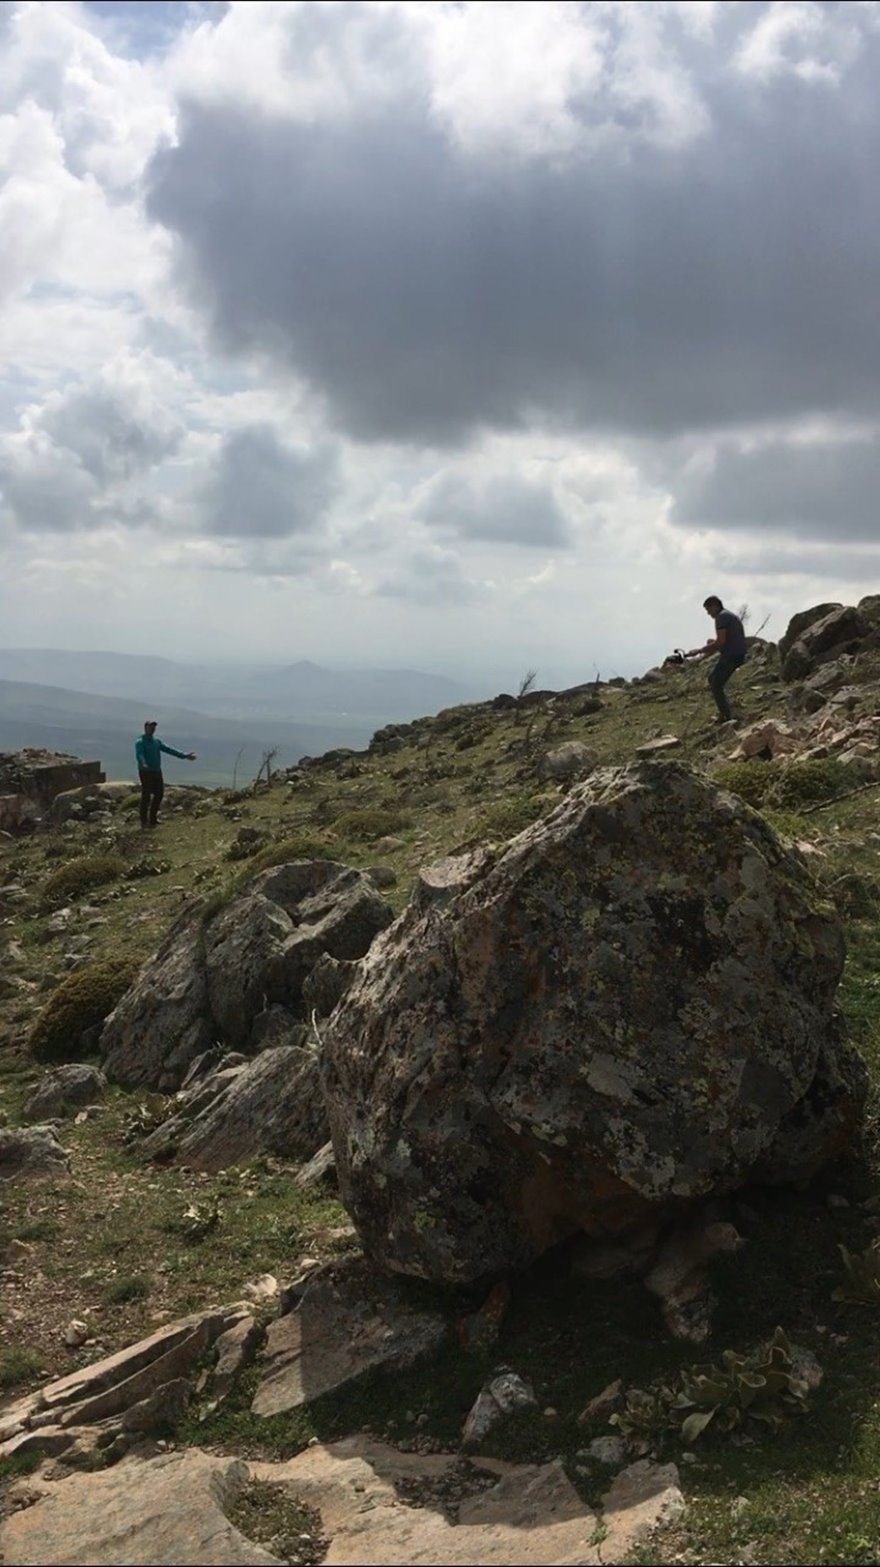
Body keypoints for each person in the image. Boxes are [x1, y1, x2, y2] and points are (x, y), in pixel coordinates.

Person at [685, 597, 747, 724]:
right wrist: (702, 656)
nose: (708, 613)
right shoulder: (728, 615)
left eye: (708, 610)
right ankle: (726, 712)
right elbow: (722, 643)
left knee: (716, 683)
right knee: (714, 679)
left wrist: (699, 650)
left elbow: (720, 642)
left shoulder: (722, 617)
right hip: (735, 654)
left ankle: (727, 717)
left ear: (714, 606)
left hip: (732, 656)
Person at [135, 719, 197, 828]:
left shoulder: (156, 742)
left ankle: (153, 819)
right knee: (146, 796)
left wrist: (184, 755)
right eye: (150, 727)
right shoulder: (140, 742)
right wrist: (143, 763)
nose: (152, 729)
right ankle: (144, 821)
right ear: (145, 728)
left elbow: (169, 750)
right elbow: (140, 754)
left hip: (156, 771)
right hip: (146, 772)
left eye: (154, 727)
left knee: (159, 794)